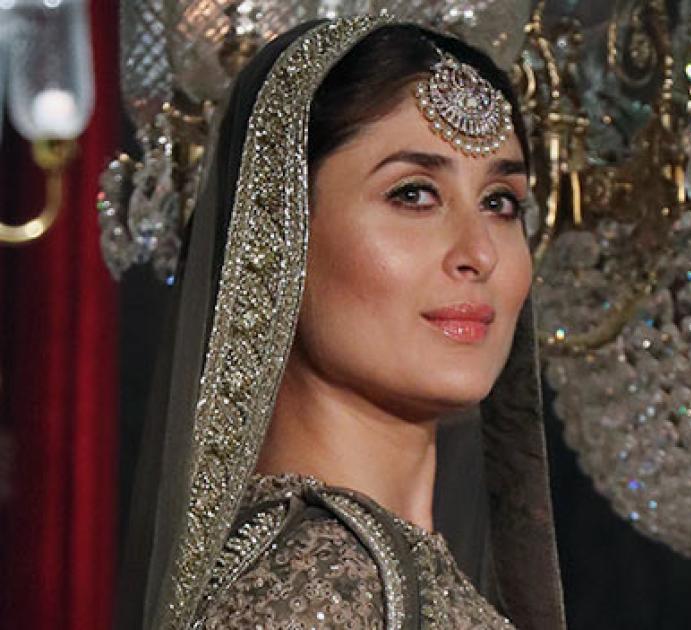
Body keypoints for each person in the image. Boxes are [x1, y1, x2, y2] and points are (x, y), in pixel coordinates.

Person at [117, 17, 565, 629]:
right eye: (414, 194)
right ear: (281, 239)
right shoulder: (314, 592)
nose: (480, 253)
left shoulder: (363, 577)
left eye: (500, 202)